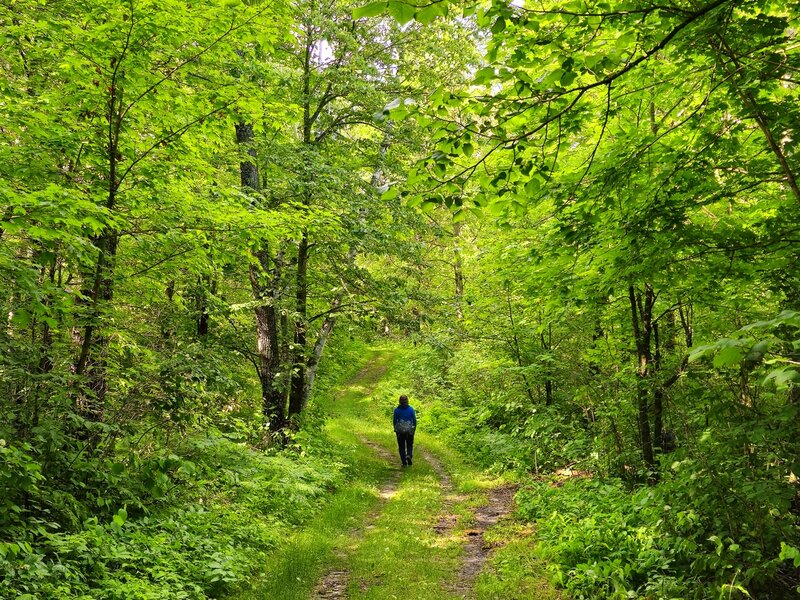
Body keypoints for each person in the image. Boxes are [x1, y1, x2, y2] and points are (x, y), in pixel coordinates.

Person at [393, 394, 416, 466]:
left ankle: (404, 461)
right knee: (409, 444)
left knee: (401, 446)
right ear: (407, 401)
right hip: (409, 430)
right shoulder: (411, 409)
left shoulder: (397, 410)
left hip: (400, 431)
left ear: (399, 401)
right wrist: (414, 429)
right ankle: (409, 455)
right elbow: (414, 420)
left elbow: (394, 421)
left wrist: (396, 429)